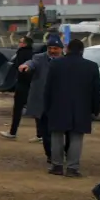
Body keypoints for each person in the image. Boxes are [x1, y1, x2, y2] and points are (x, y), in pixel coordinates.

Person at [42, 38, 100, 178]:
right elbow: (96, 91)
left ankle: (57, 166)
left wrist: (47, 106)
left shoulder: (56, 64)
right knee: (76, 137)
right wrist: (95, 109)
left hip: (58, 106)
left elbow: (48, 88)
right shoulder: (91, 66)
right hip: (82, 107)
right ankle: (72, 168)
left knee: (57, 136)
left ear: (67, 49)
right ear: (82, 51)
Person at [19, 35, 65, 168]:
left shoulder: (66, 61)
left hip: (61, 102)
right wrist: (26, 66)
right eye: (50, 48)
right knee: (46, 131)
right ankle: (51, 155)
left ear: (61, 49)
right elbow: (31, 63)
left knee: (63, 131)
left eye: (55, 48)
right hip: (43, 102)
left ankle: (63, 153)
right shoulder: (39, 58)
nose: (52, 51)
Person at [0, 36, 35, 139]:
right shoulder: (34, 54)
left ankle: (13, 132)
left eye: (20, 42)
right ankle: (40, 134)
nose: (19, 43)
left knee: (17, 109)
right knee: (36, 109)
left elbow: (19, 67)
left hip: (23, 84)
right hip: (33, 84)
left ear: (24, 44)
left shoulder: (21, 53)